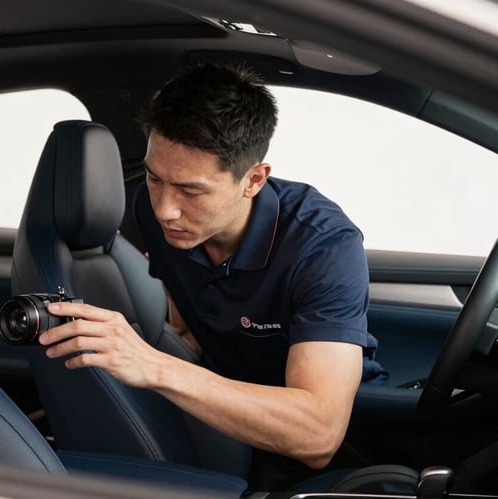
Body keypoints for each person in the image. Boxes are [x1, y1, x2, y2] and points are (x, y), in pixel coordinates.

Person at [37, 62, 381, 488]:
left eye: (191, 190)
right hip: (224, 422)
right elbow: (186, 304)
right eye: (155, 177)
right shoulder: (157, 211)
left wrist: (155, 366)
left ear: (254, 180)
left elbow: (317, 435)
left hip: (326, 439)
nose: (165, 208)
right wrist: (178, 343)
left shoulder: (323, 247)